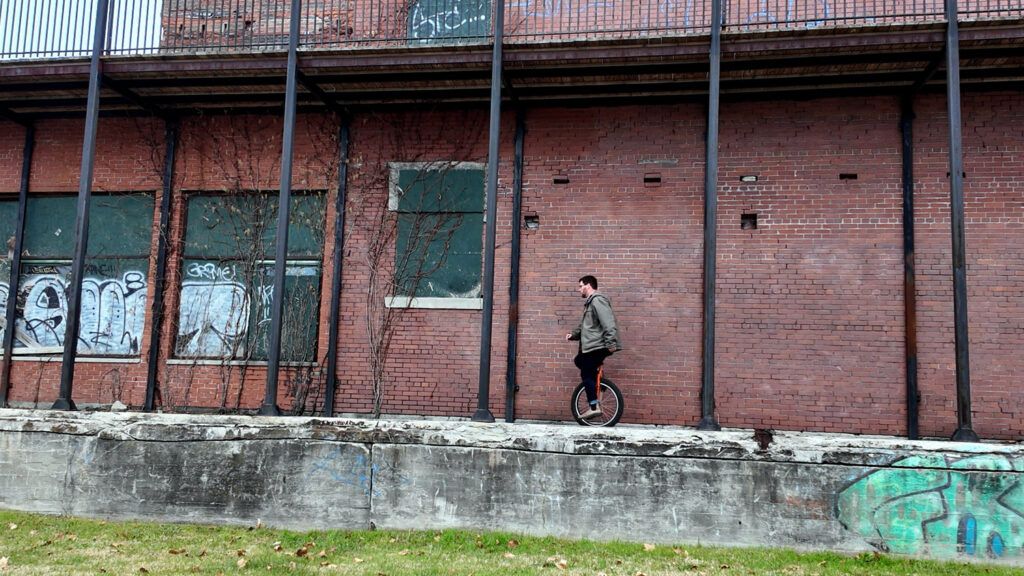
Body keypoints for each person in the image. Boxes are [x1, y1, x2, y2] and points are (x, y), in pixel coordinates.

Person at [565, 275, 622, 419]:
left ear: (588, 285)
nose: (579, 290)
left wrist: (611, 343)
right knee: (579, 361)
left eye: (580, 286)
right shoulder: (590, 304)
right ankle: (599, 384)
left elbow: (608, 323)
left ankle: (594, 405)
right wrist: (574, 335)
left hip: (599, 345)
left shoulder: (598, 300)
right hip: (593, 345)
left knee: (586, 372)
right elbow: (587, 327)